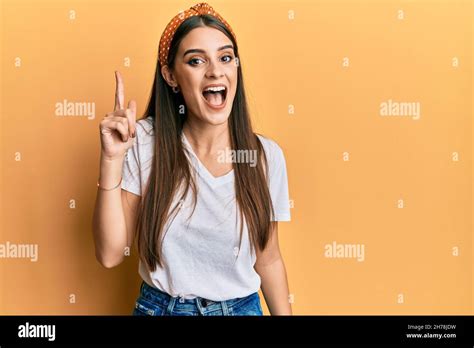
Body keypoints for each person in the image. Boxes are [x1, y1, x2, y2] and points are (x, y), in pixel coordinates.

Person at [92, 2, 292, 316]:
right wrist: (111, 159)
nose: (215, 70)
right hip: (161, 308)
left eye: (225, 57)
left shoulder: (265, 157)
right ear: (170, 76)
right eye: (196, 61)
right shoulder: (144, 142)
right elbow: (110, 253)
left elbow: (268, 259)